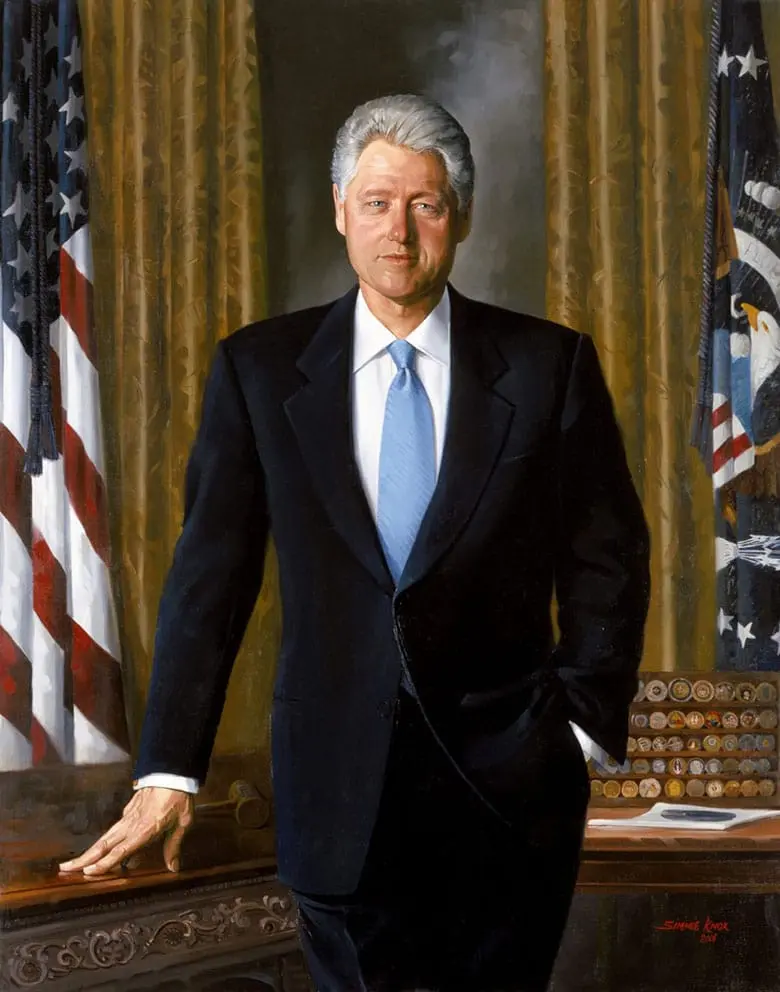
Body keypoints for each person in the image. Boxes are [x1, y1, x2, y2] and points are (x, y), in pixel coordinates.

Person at [60, 94, 650, 991]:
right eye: (376, 203)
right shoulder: (259, 371)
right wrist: (170, 769)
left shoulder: (547, 365)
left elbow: (608, 560)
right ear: (340, 210)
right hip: (335, 794)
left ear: (460, 217)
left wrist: (578, 732)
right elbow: (208, 584)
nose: (399, 233)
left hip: (512, 794)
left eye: (425, 204)